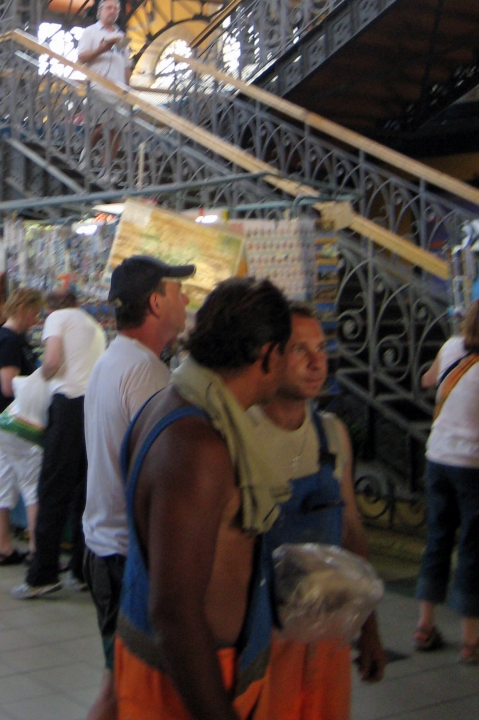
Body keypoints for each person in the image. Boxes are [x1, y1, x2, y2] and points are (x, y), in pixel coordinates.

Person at [115, 277, 292, 720]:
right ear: (269, 354)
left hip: (186, 675)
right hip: (183, 690)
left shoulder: (170, 406)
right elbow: (174, 615)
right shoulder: (197, 447)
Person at [250, 306, 385, 719]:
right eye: (299, 350)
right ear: (269, 357)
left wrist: (369, 628)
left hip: (327, 637)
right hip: (259, 639)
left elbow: (351, 531)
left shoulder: (332, 434)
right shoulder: (238, 435)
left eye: (321, 348)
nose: (316, 361)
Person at [83, 256, 194, 720]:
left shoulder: (115, 360)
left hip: (107, 548)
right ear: (154, 303)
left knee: (119, 688)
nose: (186, 297)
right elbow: (163, 472)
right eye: (176, 290)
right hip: (125, 556)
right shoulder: (146, 373)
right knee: (125, 693)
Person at [13, 288, 106, 599]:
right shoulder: (94, 326)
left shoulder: (57, 318)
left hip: (67, 409)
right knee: (83, 492)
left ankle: (43, 573)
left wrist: (36, 380)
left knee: (52, 490)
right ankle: (80, 571)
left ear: (50, 307)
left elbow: (52, 362)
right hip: (94, 410)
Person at [414, 298, 479, 664]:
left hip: (437, 458)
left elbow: (427, 380)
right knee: (472, 545)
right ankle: (470, 640)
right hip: (473, 465)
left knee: (437, 538)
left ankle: (424, 625)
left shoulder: (451, 347)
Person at [0, 287, 45, 565]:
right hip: (10, 417)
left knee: (4, 479)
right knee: (33, 481)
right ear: (22, 308)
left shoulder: (14, 338)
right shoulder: (9, 341)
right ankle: (37, 550)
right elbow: (9, 386)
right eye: (34, 311)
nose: (37, 317)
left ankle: (3, 547)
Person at [76, 0, 131, 87]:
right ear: (99, 11)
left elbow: (126, 66)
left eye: (115, 9)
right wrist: (100, 50)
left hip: (118, 91)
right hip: (96, 89)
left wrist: (128, 90)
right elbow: (81, 58)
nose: (112, 11)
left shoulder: (121, 36)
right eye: (109, 8)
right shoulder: (90, 31)